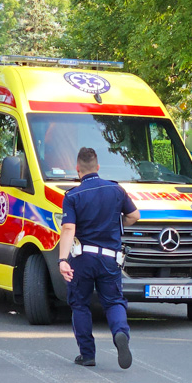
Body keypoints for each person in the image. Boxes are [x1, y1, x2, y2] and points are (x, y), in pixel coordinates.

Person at [58, 147, 141, 369]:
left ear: (77, 169)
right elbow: (135, 215)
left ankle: (87, 355)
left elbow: (68, 228)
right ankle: (120, 334)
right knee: (114, 301)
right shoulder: (116, 190)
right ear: (98, 167)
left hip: (83, 258)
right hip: (110, 259)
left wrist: (62, 260)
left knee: (80, 304)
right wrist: (117, 225)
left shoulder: (73, 195)